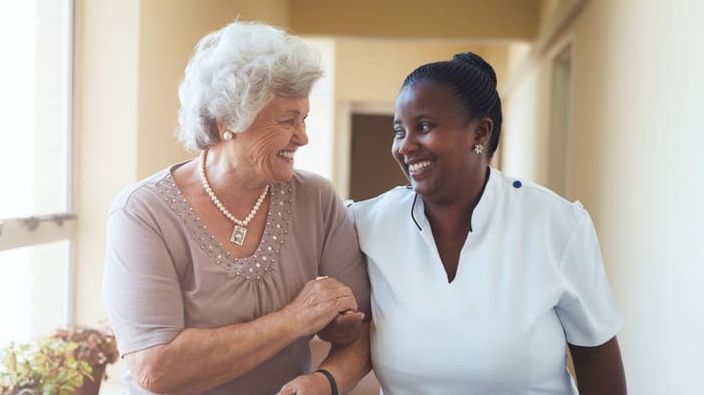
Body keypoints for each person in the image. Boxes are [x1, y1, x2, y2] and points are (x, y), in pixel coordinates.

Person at [103, 21, 370, 395]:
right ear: (227, 121)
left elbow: (364, 330)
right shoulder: (143, 213)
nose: (303, 136)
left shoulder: (317, 199)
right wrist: (294, 320)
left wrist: (326, 381)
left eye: (304, 118)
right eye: (287, 120)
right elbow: (156, 368)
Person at [349, 52, 627, 394]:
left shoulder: (555, 224)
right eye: (398, 131)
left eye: (423, 127)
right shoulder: (367, 225)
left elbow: (595, 357)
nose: (405, 146)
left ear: (480, 132)